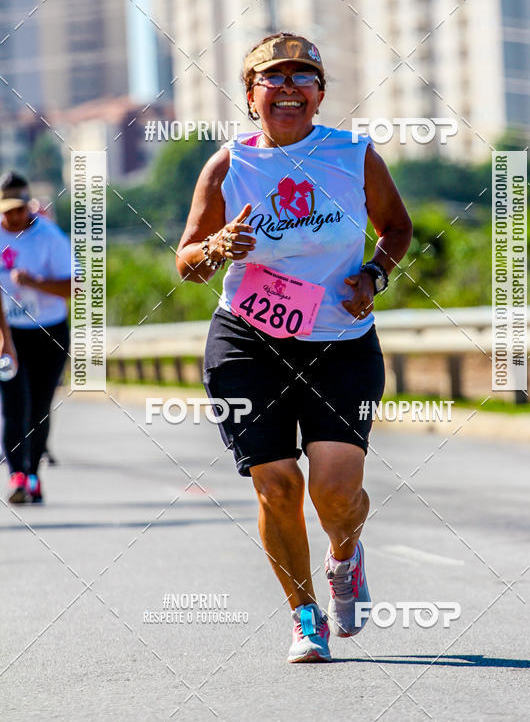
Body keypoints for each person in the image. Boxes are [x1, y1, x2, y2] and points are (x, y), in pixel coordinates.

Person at [176, 33, 412, 662]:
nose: (287, 88)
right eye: (272, 78)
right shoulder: (227, 165)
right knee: (277, 486)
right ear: (250, 95)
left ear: (320, 93)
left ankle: (345, 557)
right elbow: (187, 262)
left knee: (335, 493)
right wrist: (215, 248)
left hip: (340, 341)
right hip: (248, 342)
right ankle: (305, 616)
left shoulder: (354, 155)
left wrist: (375, 274)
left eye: (302, 77)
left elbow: (396, 227)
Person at [0, 171, 71, 504]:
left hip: (48, 331)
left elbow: (74, 287)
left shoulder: (50, 237)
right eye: (7, 211)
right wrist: (4, 339)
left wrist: (34, 282)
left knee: (40, 407)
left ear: (29, 205)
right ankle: (16, 475)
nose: (14, 217)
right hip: (8, 332)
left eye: (19, 209)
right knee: (14, 404)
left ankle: (33, 474)